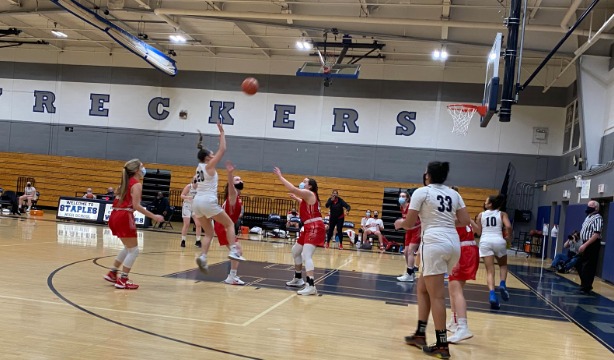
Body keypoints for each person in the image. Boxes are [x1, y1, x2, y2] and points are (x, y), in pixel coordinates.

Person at [395, 161, 470, 358]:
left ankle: (442, 345)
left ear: (427, 175)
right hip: (453, 243)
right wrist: (444, 220)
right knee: (422, 287)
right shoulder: (454, 194)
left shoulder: (422, 192)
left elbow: (410, 223)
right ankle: (420, 334)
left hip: (434, 243)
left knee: (437, 295)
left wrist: (399, 223)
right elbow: (464, 220)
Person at [104, 159, 164, 289]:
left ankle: (113, 272)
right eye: (142, 166)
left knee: (128, 248)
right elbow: (136, 206)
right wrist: (154, 216)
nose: (144, 168)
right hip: (124, 215)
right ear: (137, 170)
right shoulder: (136, 184)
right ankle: (123, 280)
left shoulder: (124, 183)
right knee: (134, 250)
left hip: (114, 214)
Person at [193, 124, 245, 274]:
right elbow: (222, 150)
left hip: (197, 203)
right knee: (229, 224)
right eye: (211, 153)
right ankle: (234, 250)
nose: (213, 154)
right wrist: (222, 133)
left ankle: (203, 257)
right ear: (208, 157)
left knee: (209, 233)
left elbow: (195, 184)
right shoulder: (209, 166)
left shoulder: (199, 168)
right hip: (207, 201)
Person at [274, 167, 325, 296]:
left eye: (305, 181)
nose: (302, 182)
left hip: (314, 226)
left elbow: (292, 189)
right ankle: (298, 279)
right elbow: (305, 202)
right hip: (308, 226)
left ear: (310, 186)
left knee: (306, 255)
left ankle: (311, 285)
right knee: (295, 251)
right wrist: (296, 199)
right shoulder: (309, 196)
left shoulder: (309, 193)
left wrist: (280, 177)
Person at [446, 186, 480, 344]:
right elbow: (478, 230)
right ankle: (454, 322)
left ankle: (463, 327)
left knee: (456, 290)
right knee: (453, 288)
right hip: (471, 248)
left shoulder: (452, 215)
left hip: (462, 251)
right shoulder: (463, 213)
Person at [474, 194, 512, 310]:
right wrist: (509, 237)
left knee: (490, 271)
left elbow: (479, 232)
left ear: (490, 204)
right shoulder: (502, 214)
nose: (484, 203)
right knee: (503, 265)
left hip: (485, 242)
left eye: (486, 202)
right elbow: (508, 226)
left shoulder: (481, 215)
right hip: (499, 240)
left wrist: (474, 223)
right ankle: (502, 284)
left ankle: (492, 294)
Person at [214, 160, 246, 285]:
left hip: (226, 226)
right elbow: (230, 185)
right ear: (232, 184)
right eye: (237, 180)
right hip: (224, 226)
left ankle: (232, 276)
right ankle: (232, 276)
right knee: (237, 250)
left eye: (241, 179)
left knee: (238, 251)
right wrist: (230, 173)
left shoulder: (237, 196)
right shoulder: (232, 195)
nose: (241, 181)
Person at [577, 200, 603, 295]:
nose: (588, 207)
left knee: (588, 266)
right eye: (588, 205)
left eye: (590, 206)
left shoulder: (598, 218)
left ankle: (586, 286)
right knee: (579, 263)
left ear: (596, 207)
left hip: (592, 244)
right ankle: (584, 283)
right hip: (584, 243)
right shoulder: (588, 217)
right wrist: (581, 243)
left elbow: (596, 234)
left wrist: (585, 244)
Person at [398, 190, 422, 282]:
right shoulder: (401, 207)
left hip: (417, 229)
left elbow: (420, 217)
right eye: (400, 196)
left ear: (407, 198)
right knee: (406, 252)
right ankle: (410, 272)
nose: (401, 198)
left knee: (411, 251)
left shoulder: (411, 207)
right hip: (409, 230)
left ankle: (409, 273)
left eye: (403, 196)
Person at [180, 176, 203, 248]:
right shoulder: (189, 187)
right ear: (193, 180)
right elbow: (182, 195)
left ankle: (198, 241)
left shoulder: (200, 188)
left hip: (195, 206)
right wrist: (188, 197)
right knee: (186, 224)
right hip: (187, 205)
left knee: (198, 224)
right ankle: (183, 240)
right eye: (195, 179)